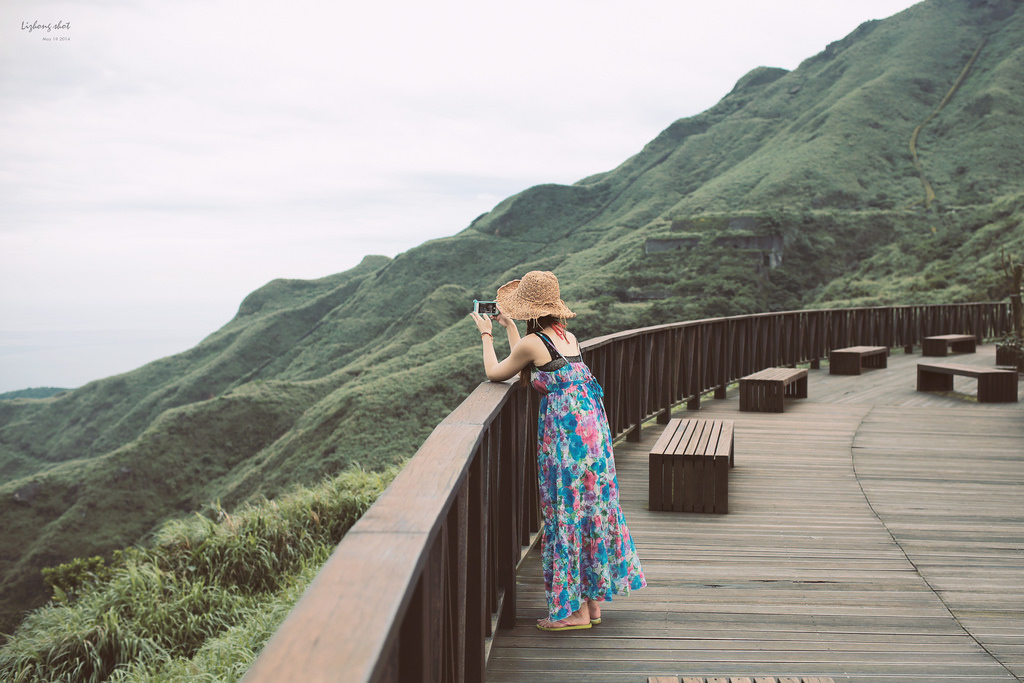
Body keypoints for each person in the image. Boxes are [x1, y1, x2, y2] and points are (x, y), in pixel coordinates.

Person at [470, 270, 646, 632]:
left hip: (566, 442)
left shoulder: (533, 343)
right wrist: (508, 328)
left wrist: (486, 333)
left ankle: (575, 612)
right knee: (591, 511)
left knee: (566, 513)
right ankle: (592, 606)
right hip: (593, 435)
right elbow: (529, 355)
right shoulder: (568, 336)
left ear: (529, 310)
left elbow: (496, 372)